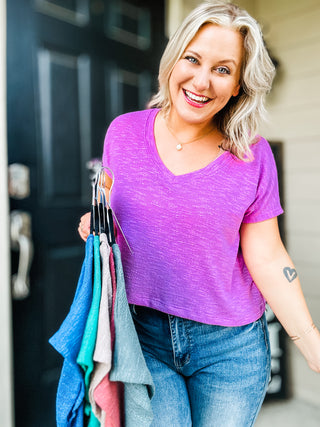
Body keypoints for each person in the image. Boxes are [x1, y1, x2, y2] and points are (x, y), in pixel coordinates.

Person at [78, 1, 320, 425]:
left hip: (229, 349)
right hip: (144, 337)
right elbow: (123, 213)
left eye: (223, 69)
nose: (202, 81)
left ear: (239, 86)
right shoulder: (124, 132)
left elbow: (266, 255)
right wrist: (98, 222)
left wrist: (311, 342)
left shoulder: (252, 155)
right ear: (174, 60)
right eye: (192, 59)